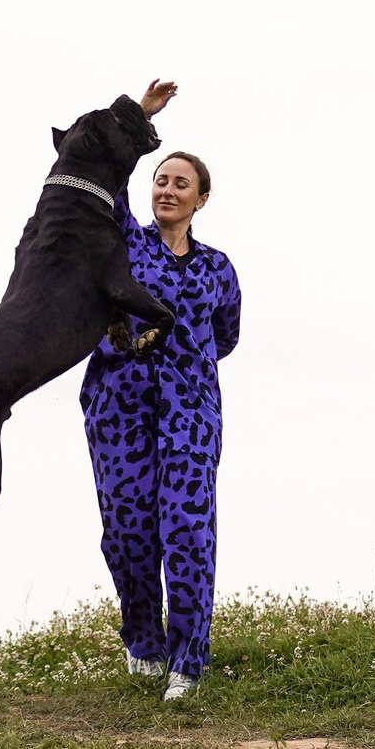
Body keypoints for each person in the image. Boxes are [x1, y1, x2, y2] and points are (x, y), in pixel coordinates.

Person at [79, 78, 241, 700]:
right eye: (161, 180)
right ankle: (144, 644)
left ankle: (187, 663)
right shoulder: (121, 242)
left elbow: (225, 335)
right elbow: (105, 171)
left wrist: (183, 365)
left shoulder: (218, 267)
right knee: (126, 528)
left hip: (191, 413)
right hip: (117, 404)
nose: (166, 189)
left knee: (187, 528)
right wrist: (139, 116)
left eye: (180, 183)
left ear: (201, 199)